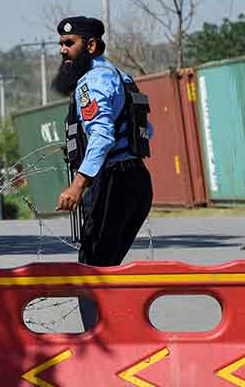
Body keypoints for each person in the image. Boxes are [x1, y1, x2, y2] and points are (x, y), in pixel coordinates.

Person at [53, 16, 153, 330]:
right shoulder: (121, 77)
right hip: (136, 180)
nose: (63, 51)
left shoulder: (93, 82)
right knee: (107, 268)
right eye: (61, 45)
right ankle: (113, 332)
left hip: (112, 183)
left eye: (70, 44)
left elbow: (102, 136)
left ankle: (97, 342)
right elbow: (146, 129)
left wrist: (77, 186)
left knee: (91, 267)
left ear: (91, 46)